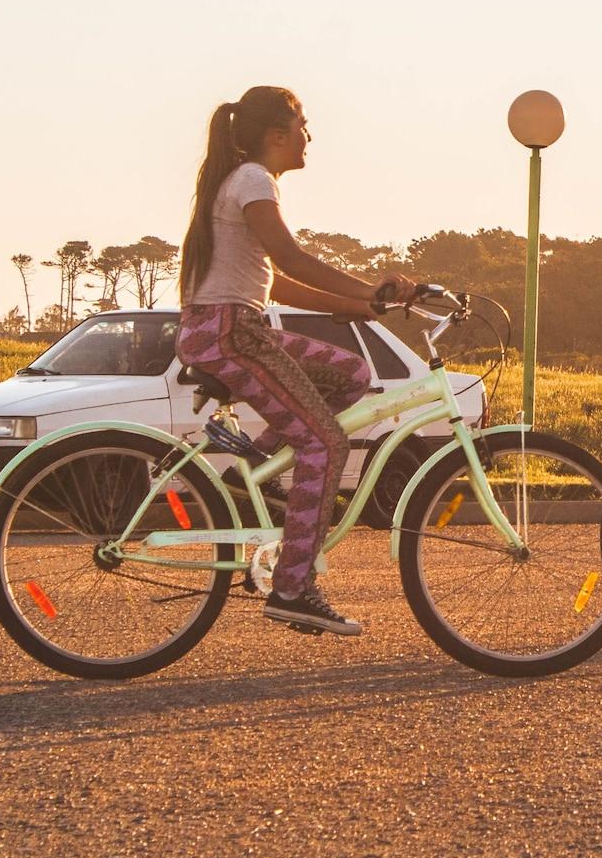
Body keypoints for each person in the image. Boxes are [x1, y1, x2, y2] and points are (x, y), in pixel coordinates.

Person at [174, 87, 424, 637]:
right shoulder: (253, 179)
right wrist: (371, 288)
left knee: (352, 374)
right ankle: (292, 589)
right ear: (277, 135)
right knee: (325, 444)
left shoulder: (240, 180)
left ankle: (258, 471)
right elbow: (289, 258)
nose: (309, 136)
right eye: (303, 125)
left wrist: (363, 305)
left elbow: (276, 283)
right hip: (230, 334)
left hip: (234, 328)